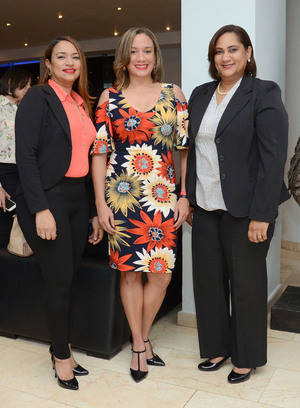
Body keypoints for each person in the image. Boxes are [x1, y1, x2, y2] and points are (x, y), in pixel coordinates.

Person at [186, 25, 289, 384]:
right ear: (213, 58)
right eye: (218, 51)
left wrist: (264, 213)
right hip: (205, 206)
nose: (225, 57)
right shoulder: (199, 95)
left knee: (246, 285)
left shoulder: (263, 93)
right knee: (208, 281)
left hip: (248, 210)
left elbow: (273, 157)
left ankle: (245, 357)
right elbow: (193, 154)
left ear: (248, 53)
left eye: (233, 49)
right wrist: (188, 197)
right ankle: (216, 347)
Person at [92, 27, 189, 383]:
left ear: (156, 56)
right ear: (124, 57)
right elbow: (100, 153)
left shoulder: (173, 93)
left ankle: (142, 334)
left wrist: (183, 194)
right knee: (130, 273)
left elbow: (183, 150)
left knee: (161, 275)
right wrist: (101, 204)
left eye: (147, 50)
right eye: (134, 51)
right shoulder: (108, 98)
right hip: (122, 197)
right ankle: (138, 343)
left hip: (163, 197)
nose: (141, 57)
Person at [15, 36, 103, 391]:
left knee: (68, 278)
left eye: (75, 57)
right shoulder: (39, 98)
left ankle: (62, 346)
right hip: (48, 199)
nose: (70, 62)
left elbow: (85, 159)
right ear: (48, 64)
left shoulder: (81, 103)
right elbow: (26, 157)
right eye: (61, 57)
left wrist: (95, 212)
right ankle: (60, 356)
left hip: (77, 199)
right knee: (58, 279)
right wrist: (40, 209)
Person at [0, 67, 31, 247]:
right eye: (24, 85)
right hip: (4, 170)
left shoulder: (22, 108)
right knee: (6, 225)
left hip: (21, 170)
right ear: (11, 84)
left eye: (29, 85)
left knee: (19, 223)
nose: (28, 89)